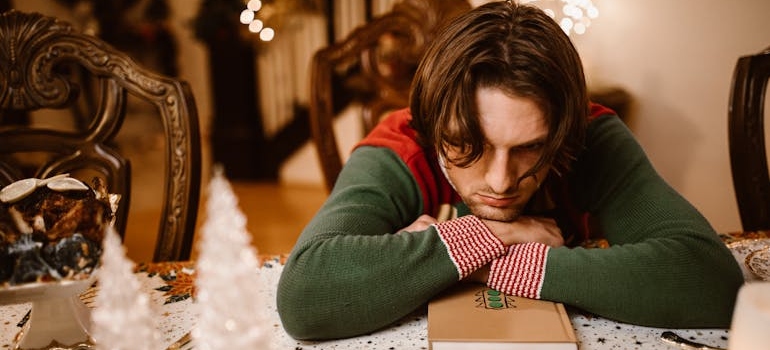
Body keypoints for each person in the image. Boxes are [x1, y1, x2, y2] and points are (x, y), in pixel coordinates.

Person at [277, 0, 744, 340]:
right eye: (468, 147)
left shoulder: (590, 135)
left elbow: (711, 282)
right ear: (431, 126)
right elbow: (305, 296)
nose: (501, 181)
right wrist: (494, 235)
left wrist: (465, 261)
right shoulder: (399, 145)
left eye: (530, 148)